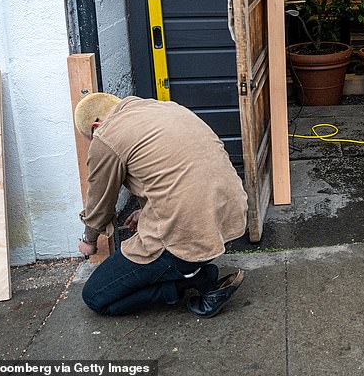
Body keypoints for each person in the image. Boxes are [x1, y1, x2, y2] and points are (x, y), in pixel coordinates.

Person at [73, 93, 248, 317]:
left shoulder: (106, 136)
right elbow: (177, 174)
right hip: (228, 218)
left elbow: (99, 205)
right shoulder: (164, 108)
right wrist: (145, 211)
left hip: (185, 235)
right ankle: (188, 270)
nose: (94, 141)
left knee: (96, 297)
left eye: (91, 137)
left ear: (96, 125)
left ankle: (190, 281)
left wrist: (89, 241)